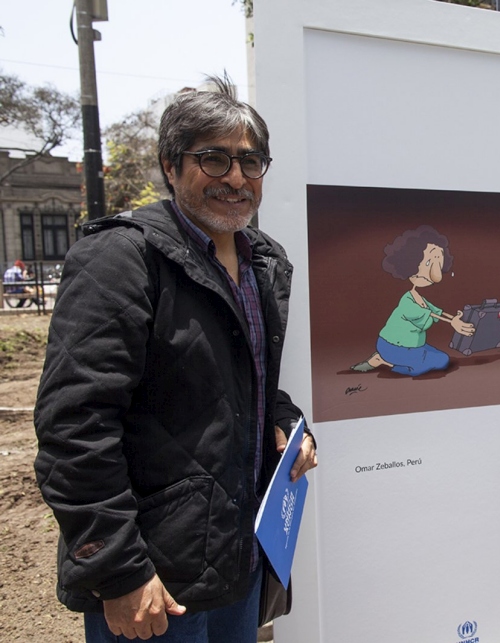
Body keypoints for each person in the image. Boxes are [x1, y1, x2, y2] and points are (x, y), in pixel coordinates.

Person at [34, 75, 317, 643]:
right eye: (213, 159)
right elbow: (74, 425)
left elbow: (243, 382)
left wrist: (284, 422)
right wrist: (117, 571)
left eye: (251, 161)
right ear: (170, 165)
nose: (236, 178)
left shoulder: (263, 263)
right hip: (155, 578)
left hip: (235, 554)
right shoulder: (122, 257)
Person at [351, 225, 475, 376]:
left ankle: (404, 360)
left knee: (443, 360)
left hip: (414, 346)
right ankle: (383, 360)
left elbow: (437, 311)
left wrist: (454, 318)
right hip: (392, 346)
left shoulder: (420, 298)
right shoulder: (407, 301)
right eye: (428, 263)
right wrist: (453, 323)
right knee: (419, 369)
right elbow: (429, 315)